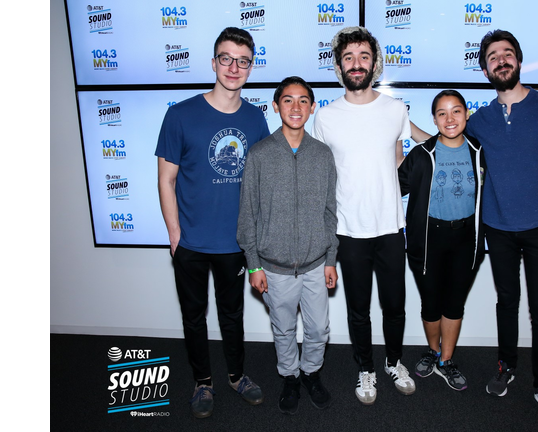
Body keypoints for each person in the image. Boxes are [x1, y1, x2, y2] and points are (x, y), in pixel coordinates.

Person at [412, 29, 538, 424]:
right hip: (496, 230)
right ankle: (506, 366)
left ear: (518, 61)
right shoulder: (480, 119)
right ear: (485, 68)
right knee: (506, 304)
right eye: (492, 56)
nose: (500, 60)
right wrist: (401, 127)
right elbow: (444, 142)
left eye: (507, 54)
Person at [155, 27, 269, 419]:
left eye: (243, 60)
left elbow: (260, 183)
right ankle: (203, 383)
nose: (233, 67)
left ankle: (237, 376)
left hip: (235, 243)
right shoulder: (180, 114)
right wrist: (174, 235)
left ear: (251, 67)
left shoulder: (256, 119)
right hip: (190, 243)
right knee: (193, 315)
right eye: (226, 58)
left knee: (232, 314)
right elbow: (166, 179)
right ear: (213, 62)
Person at [311, 26, 415, 405]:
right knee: (358, 309)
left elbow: (403, 159)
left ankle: (393, 362)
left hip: (390, 226)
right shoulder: (325, 117)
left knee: (395, 306)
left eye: (364, 57)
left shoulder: (395, 109)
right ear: (339, 65)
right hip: (348, 230)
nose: (357, 64)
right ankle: (365, 369)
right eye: (349, 57)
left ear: (375, 64)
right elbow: (320, 176)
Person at [236, 76, 338, 415]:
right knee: (283, 329)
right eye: (288, 100)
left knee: (319, 329)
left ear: (311, 107)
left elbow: (329, 211)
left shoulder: (323, 155)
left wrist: (330, 259)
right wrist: (253, 263)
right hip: (274, 267)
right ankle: (290, 376)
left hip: (314, 263)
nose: (296, 107)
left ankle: (311, 373)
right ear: (277, 105)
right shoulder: (260, 154)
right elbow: (248, 212)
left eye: (303, 101)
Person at [398, 90, 485, 392]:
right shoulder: (422, 154)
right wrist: (396, 143)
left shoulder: (479, 152)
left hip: (466, 239)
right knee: (431, 303)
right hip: (427, 239)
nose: (450, 119)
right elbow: (394, 186)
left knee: (454, 303)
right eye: (442, 113)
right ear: (434, 119)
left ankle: (446, 360)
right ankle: (433, 351)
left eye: (456, 111)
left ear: (466, 114)